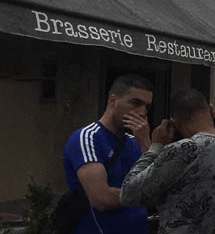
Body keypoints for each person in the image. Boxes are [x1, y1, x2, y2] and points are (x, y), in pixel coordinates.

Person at [120, 89, 215, 234]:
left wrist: (155, 146)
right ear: (211, 111)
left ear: (174, 122)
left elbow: (128, 194)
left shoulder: (181, 151)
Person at [61, 74, 153, 234]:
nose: (142, 112)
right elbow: (101, 198)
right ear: (113, 101)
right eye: (135, 103)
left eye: (146, 106)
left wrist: (146, 143)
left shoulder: (134, 141)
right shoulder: (88, 138)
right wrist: (144, 194)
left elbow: (158, 183)